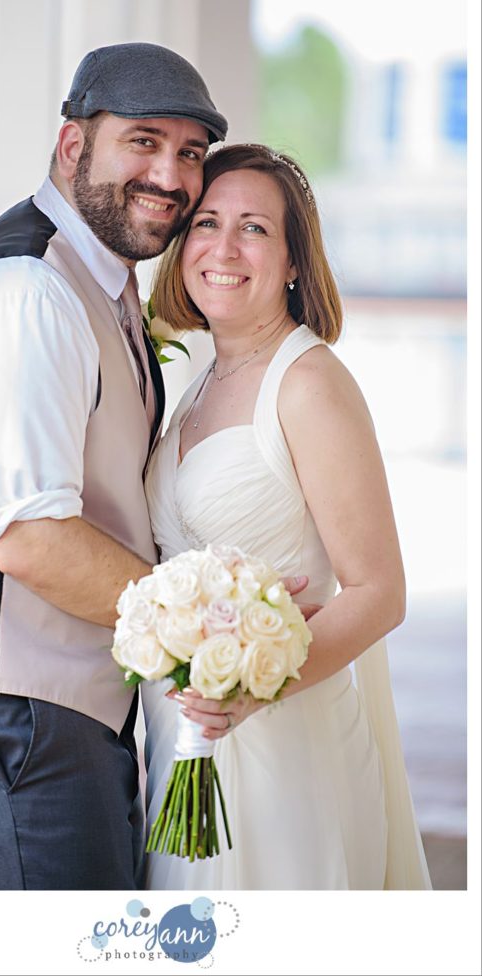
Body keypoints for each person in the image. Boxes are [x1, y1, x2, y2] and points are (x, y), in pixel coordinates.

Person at [0, 42, 233, 891]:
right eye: (144, 141)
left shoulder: (103, 287)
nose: (171, 174)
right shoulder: (29, 291)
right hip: (10, 721)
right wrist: (204, 639)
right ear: (74, 145)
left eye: (190, 154)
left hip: (65, 712)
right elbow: (32, 538)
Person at [142, 143, 432, 890]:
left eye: (256, 229)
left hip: (287, 744)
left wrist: (245, 690)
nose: (225, 248)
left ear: (296, 260)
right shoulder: (201, 381)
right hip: (183, 739)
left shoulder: (309, 384)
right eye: (207, 222)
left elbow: (379, 591)